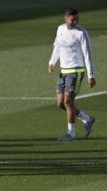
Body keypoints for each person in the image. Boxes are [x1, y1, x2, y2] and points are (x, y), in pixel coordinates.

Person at [48, 8, 96, 141]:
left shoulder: (81, 33)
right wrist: (52, 61)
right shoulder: (60, 29)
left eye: (76, 19)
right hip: (63, 71)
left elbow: (88, 55)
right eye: (72, 19)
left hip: (76, 70)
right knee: (60, 103)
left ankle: (71, 133)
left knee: (68, 101)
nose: (75, 22)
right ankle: (87, 119)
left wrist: (91, 75)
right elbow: (57, 46)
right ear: (65, 18)